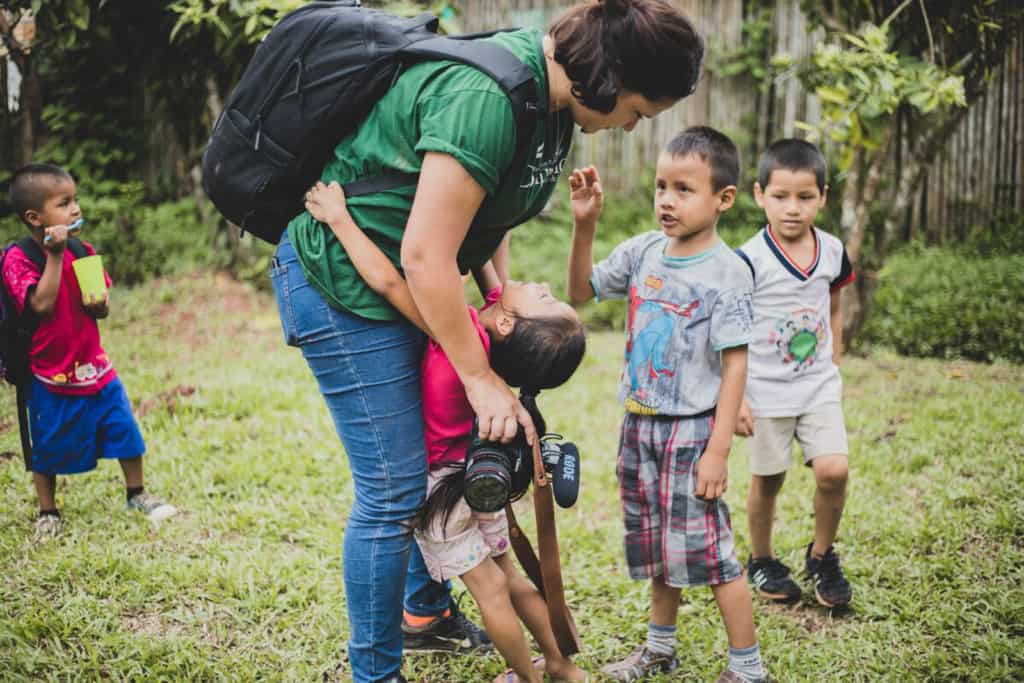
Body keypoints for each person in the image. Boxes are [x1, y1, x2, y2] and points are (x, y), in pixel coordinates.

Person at [270, 1, 705, 680]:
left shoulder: (553, 112)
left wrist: (500, 296)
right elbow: (420, 257)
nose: (627, 129)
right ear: (613, 78)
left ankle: (426, 610)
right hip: (345, 283)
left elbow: (488, 212)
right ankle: (376, 672)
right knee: (392, 489)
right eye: (639, 112)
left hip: (411, 284)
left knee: (426, 470)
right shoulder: (488, 97)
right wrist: (480, 374)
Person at [305, 180, 588, 683]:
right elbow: (487, 262)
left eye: (543, 296)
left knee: (490, 592)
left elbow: (391, 284)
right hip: (478, 476)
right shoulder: (497, 343)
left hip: (445, 489)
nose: (538, 285)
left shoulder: (458, 329)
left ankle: (525, 675)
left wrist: (339, 220)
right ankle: (562, 666)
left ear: (508, 324)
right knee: (512, 579)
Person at [566, 127, 769, 683]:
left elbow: (735, 366)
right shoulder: (642, 251)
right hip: (640, 425)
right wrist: (585, 225)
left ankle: (748, 669)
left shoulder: (728, 274)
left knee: (712, 550)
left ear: (723, 199)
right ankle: (661, 648)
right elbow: (582, 291)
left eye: (684, 189)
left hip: (692, 431)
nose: (666, 200)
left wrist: (718, 451)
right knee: (657, 545)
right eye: (661, 186)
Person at [1, 163, 176, 540]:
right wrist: (54, 255)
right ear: (35, 217)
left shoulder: (82, 250)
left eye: (75, 200)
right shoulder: (18, 258)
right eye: (64, 203)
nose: (76, 209)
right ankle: (48, 511)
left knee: (124, 428)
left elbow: (100, 306)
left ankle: (137, 494)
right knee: (44, 443)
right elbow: (39, 306)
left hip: (92, 365)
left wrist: (99, 302)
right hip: (46, 371)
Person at [734, 139, 854, 609]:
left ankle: (822, 556)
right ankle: (761, 558)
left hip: (818, 385)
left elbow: (835, 304)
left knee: (834, 470)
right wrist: (738, 395)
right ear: (759, 194)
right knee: (769, 478)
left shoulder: (832, 251)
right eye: (781, 196)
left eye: (805, 197)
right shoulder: (748, 259)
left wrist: (835, 357)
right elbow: (732, 330)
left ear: (822, 196)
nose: (792, 208)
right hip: (764, 392)